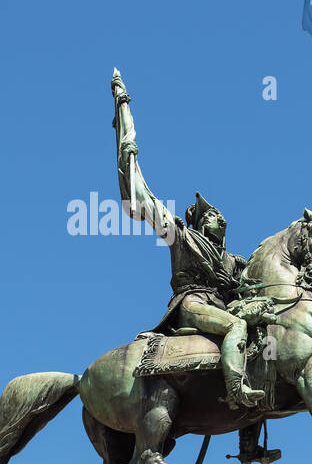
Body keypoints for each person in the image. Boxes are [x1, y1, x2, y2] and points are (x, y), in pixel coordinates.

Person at [111, 69, 266, 409]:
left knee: (267, 345)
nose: (219, 219)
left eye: (221, 216)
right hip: (192, 305)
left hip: (221, 305)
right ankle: (238, 394)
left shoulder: (234, 263)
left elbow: (254, 282)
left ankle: (248, 439)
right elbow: (144, 200)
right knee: (237, 327)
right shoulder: (182, 237)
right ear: (197, 221)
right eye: (211, 215)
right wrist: (127, 143)